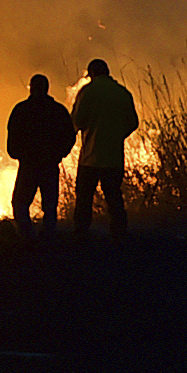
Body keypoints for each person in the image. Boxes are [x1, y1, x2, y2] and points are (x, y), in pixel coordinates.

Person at [71, 58, 139, 240]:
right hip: (113, 157)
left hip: (90, 157)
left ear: (92, 74)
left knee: (84, 196)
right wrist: (117, 135)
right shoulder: (122, 93)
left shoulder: (87, 92)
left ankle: (81, 232)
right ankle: (118, 232)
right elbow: (132, 122)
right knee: (114, 196)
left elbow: (76, 121)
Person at [6, 73, 77, 245]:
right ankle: (48, 238)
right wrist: (59, 154)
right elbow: (70, 136)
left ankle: (28, 236)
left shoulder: (21, 109)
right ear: (47, 89)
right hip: (49, 165)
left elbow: (13, 137)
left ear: (31, 88)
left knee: (20, 203)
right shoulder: (58, 111)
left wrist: (18, 154)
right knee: (50, 205)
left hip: (28, 165)